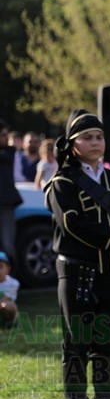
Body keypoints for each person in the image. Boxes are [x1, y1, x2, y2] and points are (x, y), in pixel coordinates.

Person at [45, 110, 110, 399]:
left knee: (106, 343)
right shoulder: (62, 182)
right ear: (72, 145)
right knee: (77, 345)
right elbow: (72, 223)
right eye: (87, 137)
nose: (95, 142)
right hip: (76, 272)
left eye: (99, 136)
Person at [0, 119, 23, 264]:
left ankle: (9, 279)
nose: (6, 138)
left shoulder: (9, 151)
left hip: (6, 203)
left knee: (7, 242)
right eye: (3, 134)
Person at [0, 251, 20, 329]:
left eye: (0, 267)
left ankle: (10, 323)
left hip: (4, 308)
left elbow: (8, 298)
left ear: (8, 269)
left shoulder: (13, 283)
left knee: (8, 306)